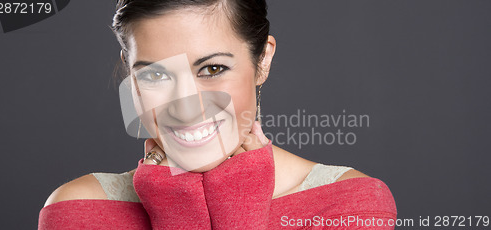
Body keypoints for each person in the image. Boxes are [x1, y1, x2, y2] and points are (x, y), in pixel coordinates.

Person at [38, 0, 396, 229]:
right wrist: (177, 210)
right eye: (155, 74)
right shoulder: (78, 211)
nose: (186, 106)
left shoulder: (352, 205)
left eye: (211, 69)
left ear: (262, 61)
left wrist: (238, 206)